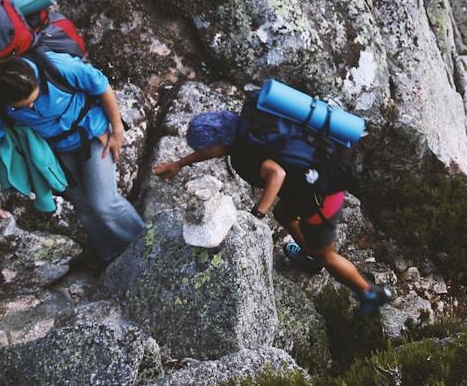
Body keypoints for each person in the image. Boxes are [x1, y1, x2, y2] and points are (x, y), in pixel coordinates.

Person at [153, 106, 394, 315]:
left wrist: (257, 214)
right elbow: (213, 149)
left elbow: (277, 174)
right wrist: (179, 164)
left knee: (327, 256)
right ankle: (310, 256)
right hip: (305, 186)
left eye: (206, 149)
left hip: (322, 194)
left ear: (220, 142)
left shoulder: (245, 153)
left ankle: (370, 293)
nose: (205, 153)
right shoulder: (245, 126)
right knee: (284, 215)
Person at [0, 54, 145, 263]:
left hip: (93, 134)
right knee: (83, 207)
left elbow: (100, 84)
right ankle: (112, 257)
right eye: (23, 107)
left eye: (35, 99)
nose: (33, 108)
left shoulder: (55, 66)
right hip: (56, 150)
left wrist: (117, 129)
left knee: (104, 202)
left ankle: (146, 249)